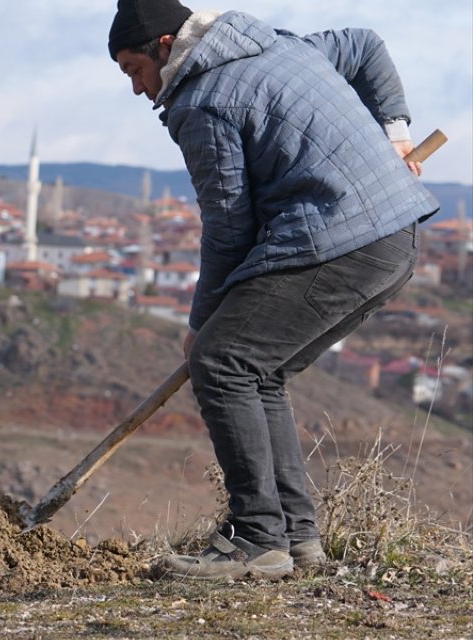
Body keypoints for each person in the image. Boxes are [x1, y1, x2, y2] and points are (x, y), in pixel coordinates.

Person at [107, 0, 439, 579]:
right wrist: (396, 136)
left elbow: (228, 225)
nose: (137, 91)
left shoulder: (201, 103)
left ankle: (256, 540)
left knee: (223, 362)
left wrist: (199, 325)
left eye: (134, 70)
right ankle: (296, 537)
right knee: (258, 369)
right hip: (395, 237)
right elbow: (364, 45)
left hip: (341, 243)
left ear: (166, 47)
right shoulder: (279, 46)